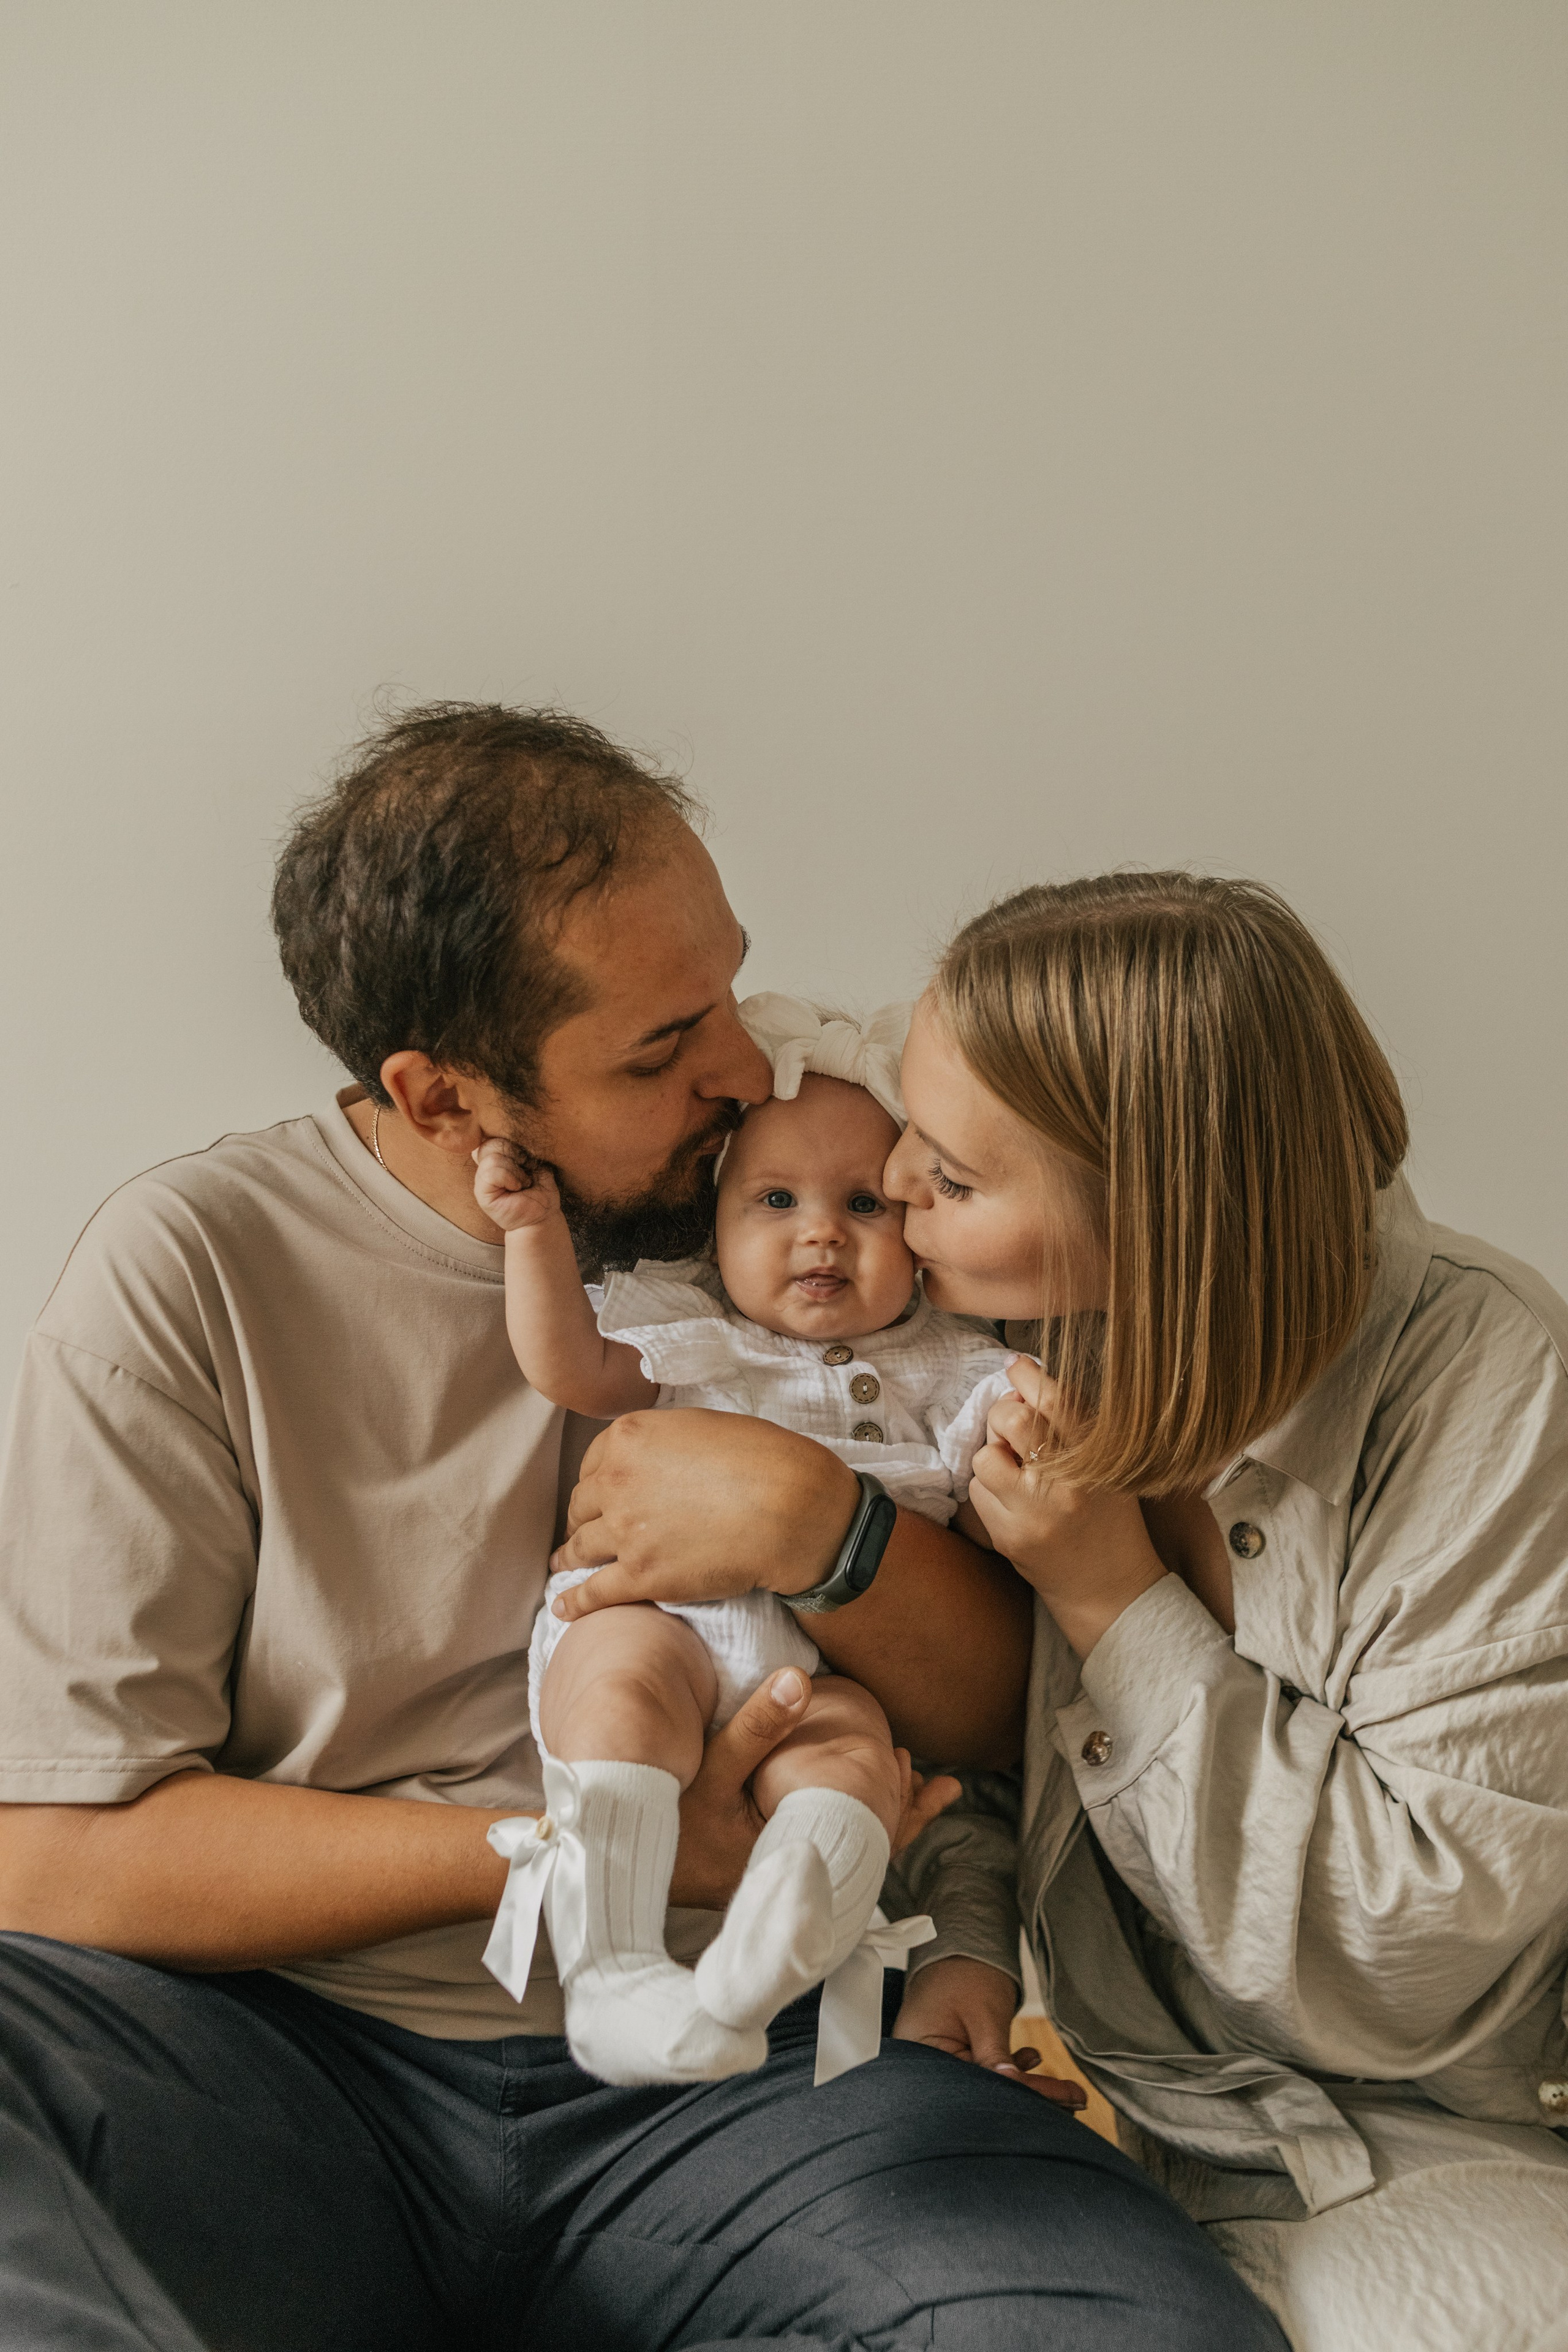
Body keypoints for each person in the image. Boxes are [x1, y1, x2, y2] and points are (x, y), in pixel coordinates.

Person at [0, 707, 1283, 2351]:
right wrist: (571, 1859)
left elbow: (1024, 1726)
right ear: (445, 1094)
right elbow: (53, 1851)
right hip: (285, 2066)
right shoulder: (193, 1268)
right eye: (661, 1048)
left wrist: (829, 1530)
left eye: (730, 995)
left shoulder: (851, 1231)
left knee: (1115, 2330)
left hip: (767, 2069)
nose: (745, 1071)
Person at [870, 872, 1568, 2352]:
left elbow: (1404, 1961)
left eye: (950, 1175)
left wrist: (1111, 1598)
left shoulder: (1488, 1384)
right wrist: (968, 1968)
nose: (888, 1189)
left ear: (1155, 1207)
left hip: (1455, 2136)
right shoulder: (988, 1361)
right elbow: (972, 1757)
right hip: (1156, 2140)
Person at [475, 993, 1016, 2087]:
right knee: (618, 1692)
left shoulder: (954, 1364)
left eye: (865, 1203)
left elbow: (1017, 1479)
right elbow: (570, 1367)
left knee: (853, 1759)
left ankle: (761, 1964)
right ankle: (613, 1971)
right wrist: (533, 1235)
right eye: (777, 1199)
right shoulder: (690, 1326)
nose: (821, 1232)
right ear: (715, 1224)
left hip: (826, 1660)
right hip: (659, 1616)